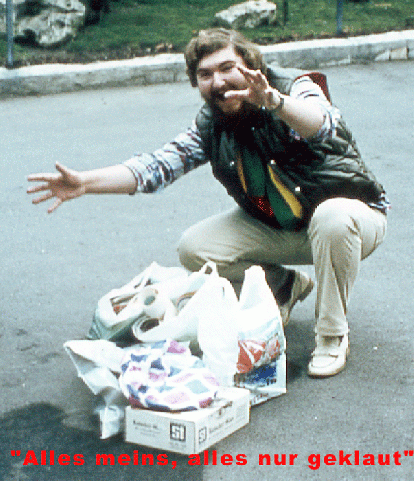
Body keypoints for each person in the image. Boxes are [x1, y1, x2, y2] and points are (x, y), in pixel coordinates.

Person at [27, 28, 389, 378]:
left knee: (332, 217)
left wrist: (275, 103)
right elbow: (156, 167)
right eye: (205, 74)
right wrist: (85, 183)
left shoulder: (295, 86)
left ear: (251, 64)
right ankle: (283, 285)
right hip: (284, 225)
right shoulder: (211, 125)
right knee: (195, 248)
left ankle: (331, 334)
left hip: (353, 219)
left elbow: (322, 124)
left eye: (227, 68)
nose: (218, 82)